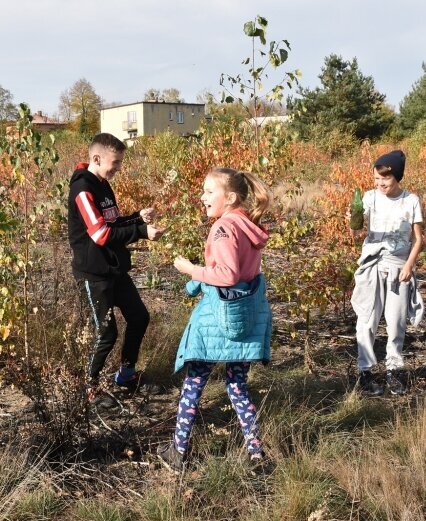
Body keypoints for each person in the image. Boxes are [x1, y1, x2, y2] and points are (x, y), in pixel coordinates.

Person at [157, 167, 272, 471]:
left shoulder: (223, 228)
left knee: (194, 383)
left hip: (215, 322)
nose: (202, 197)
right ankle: (255, 452)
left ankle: (178, 452)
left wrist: (191, 270)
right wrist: (199, 279)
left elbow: (226, 274)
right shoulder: (247, 224)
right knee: (237, 385)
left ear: (230, 197)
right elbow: (243, 273)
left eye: (209, 191)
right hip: (244, 316)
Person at [67, 133, 163, 405]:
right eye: (115, 162)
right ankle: (89, 390)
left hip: (114, 268)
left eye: (120, 162)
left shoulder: (103, 184)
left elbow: (112, 222)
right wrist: (142, 231)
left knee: (139, 317)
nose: (118, 168)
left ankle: (126, 375)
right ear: (96, 158)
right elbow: (100, 235)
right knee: (106, 333)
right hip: (94, 274)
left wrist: (136, 218)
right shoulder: (83, 189)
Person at [350, 150, 424, 396]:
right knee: (367, 319)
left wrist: (408, 266)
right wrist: (352, 220)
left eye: (386, 179)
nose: (381, 183)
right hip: (371, 264)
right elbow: (356, 231)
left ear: (397, 177)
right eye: (376, 179)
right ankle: (365, 373)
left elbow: (418, 239)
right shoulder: (369, 198)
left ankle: (394, 371)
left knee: (396, 322)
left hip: (397, 266)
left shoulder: (410, 200)